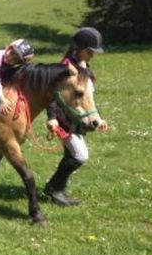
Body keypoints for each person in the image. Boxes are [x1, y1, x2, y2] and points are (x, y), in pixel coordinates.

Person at [44, 27, 109, 206]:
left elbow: (88, 98)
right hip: (64, 121)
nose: (92, 55)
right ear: (77, 47)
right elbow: (51, 94)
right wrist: (52, 117)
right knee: (80, 155)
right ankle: (54, 189)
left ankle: (57, 189)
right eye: (89, 51)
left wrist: (98, 118)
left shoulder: (83, 66)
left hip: (78, 120)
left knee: (72, 155)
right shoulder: (65, 67)